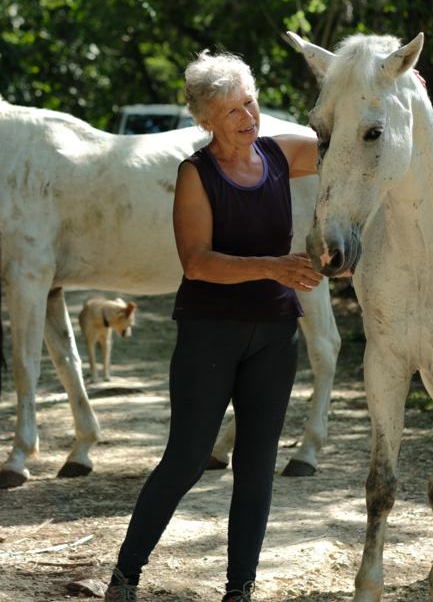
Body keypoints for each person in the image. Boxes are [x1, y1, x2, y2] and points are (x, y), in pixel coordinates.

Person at [105, 51, 323, 602]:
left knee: (257, 467)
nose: (248, 117)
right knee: (185, 459)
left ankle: (239, 590)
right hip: (210, 334)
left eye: (250, 102)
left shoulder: (282, 153)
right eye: (232, 111)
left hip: (275, 334)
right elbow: (197, 262)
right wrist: (275, 267)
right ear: (206, 120)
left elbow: (349, 145)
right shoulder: (195, 174)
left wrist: (397, 90)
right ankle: (126, 574)